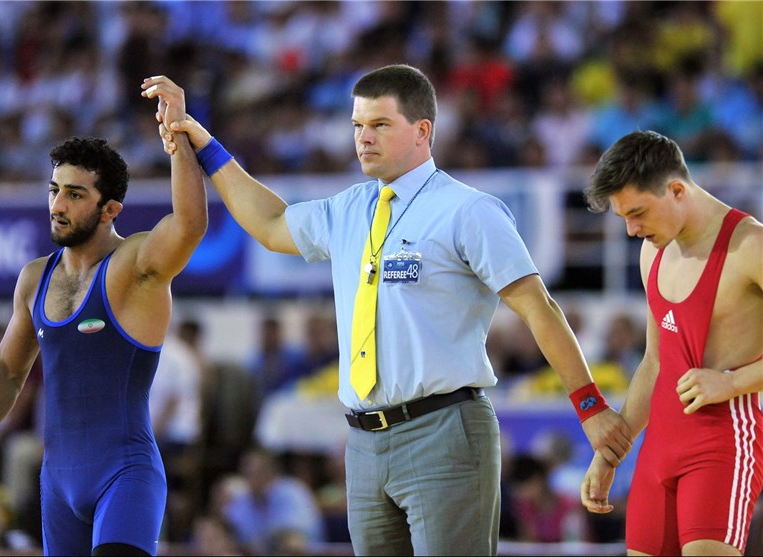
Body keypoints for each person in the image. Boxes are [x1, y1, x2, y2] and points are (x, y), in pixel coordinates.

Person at [141, 64, 632, 556]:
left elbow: (538, 307)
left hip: (445, 431)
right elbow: (270, 223)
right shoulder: (349, 208)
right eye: (357, 126)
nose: (363, 138)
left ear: (422, 131)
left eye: (379, 125)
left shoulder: (467, 210)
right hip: (363, 441)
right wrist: (203, 143)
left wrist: (590, 407)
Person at [0, 89, 207, 556]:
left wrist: (177, 136)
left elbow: (190, 225)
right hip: (57, 484)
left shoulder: (135, 266)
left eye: (75, 195)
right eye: (55, 190)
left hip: (125, 476)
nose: (58, 204)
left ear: (109, 208)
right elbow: (8, 371)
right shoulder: (35, 277)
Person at [580, 130, 763, 556]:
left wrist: (733, 383)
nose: (631, 230)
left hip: (722, 442)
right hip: (658, 448)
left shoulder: (749, 245)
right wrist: (610, 454)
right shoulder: (653, 253)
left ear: (677, 189)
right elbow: (654, 363)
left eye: (638, 213)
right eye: (624, 217)